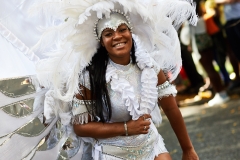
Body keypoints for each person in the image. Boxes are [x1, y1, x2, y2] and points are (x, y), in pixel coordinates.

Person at [0, 0, 199, 159]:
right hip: (112, 153)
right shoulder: (89, 79)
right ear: (101, 42)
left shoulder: (150, 68)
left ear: (131, 32)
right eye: (108, 33)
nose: (117, 37)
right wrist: (126, 128)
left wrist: (188, 149)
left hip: (151, 146)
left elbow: (172, 109)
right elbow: (81, 127)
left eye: (122, 29)